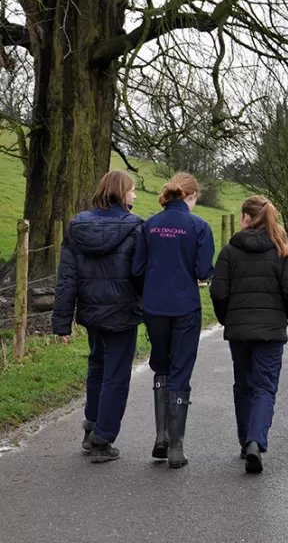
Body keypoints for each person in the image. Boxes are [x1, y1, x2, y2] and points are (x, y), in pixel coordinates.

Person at [52, 170, 143, 463]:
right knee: (116, 375)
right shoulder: (136, 228)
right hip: (123, 312)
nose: (135, 195)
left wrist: (62, 322)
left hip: (91, 312)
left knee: (97, 367)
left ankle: (91, 428)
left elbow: (67, 278)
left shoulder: (77, 227)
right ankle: (103, 439)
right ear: (122, 193)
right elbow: (141, 274)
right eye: (132, 190)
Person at [210, 196, 288, 474]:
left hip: (239, 329)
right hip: (271, 330)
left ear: (246, 218)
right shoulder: (282, 250)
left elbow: (218, 292)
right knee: (265, 387)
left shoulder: (230, 251)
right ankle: (256, 440)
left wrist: (227, 319)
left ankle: (245, 441)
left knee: (243, 385)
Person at [132, 173, 215, 469]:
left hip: (154, 306)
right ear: (191, 196)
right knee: (181, 369)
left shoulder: (149, 225)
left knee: (161, 366)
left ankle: (161, 436)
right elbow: (203, 270)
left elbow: (137, 269)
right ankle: (176, 446)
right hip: (185, 306)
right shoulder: (199, 226)